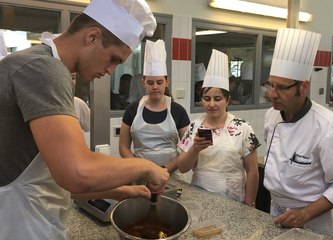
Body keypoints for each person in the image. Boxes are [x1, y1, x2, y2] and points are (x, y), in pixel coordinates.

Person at [0, 0, 169, 239]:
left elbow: (51, 177)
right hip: (18, 223)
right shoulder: (44, 68)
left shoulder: (34, 62)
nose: (111, 71)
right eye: (113, 59)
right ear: (92, 37)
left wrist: (119, 191)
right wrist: (147, 167)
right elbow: (76, 173)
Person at [263, 28, 333, 236]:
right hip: (276, 211)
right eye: (270, 84)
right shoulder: (271, 116)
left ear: (303, 87)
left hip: (314, 219)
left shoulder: (327, 126)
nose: (272, 94)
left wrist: (304, 214)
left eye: (281, 87)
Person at [178, 49, 260, 206]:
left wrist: (251, 204)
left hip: (235, 201)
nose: (211, 104)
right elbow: (182, 168)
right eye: (206, 98)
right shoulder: (194, 126)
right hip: (200, 199)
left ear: (227, 100)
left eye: (218, 99)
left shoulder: (243, 128)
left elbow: (252, 171)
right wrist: (195, 149)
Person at [119, 39, 191, 183]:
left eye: (159, 82)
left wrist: (163, 169)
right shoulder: (132, 110)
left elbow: (187, 148)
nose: (155, 87)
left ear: (167, 82)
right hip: (139, 176)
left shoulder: (178, 111)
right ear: (143, 83)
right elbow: (123, 147)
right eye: (150, 83)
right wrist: (141, 169)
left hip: (171, 176)